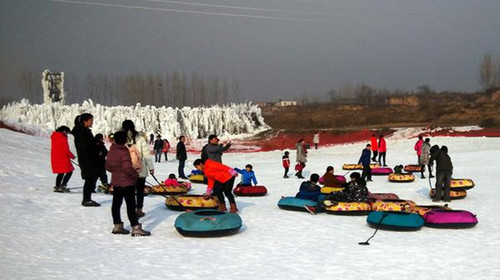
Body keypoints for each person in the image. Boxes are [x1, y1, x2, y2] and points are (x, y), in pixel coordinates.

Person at [106, 131, 150, 237]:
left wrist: (116, 172)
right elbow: (127, 168)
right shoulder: (123, 151)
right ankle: (135, 227)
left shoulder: (111, 151)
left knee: (116, 204)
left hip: (116, 182)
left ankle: (117, 225)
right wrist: (135, 175)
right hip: (127, 182)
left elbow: (107, 166)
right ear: (124, 140)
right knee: (130, 205)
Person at [121, 120, 155, 218]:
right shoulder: (140, 138)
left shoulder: (121, 138)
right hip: (140, 169)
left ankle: (131, 210)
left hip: (127, 169)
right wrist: (151, 168)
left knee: (129, 191)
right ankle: (139, 209)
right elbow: (146, 154)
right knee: (140, 190)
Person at [71, 113, 101, 207]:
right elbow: (84, 146)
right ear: (85, 121)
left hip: (88, 158)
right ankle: (86, 199)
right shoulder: (81, 132)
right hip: (87, 159)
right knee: (89, 179)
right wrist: (95, 145)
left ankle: (88, 198)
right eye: (91, 120)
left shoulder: (83, 131)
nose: (92, 122)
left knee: (90, 179)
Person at [305, 172, 369, 214]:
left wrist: (336, 192)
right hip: (361, 199)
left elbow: (347, 190)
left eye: (351, 178)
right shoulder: (363, 184)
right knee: (337, 195)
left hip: (352, 199)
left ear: (354, 178)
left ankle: (316, 208)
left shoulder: (354, 183)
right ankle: (332, 202)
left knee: (333, 195)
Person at [51, 126, 75, 193]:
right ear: (64, 131)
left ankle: (57, 186)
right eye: (67, 132)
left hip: (56, 157)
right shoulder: (62, 138)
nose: (67, 134)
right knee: (69, 171)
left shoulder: (55, 136)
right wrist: (72, 156)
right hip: (63, 158)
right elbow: (65, 150)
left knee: (60, 173)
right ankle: (63, 186)